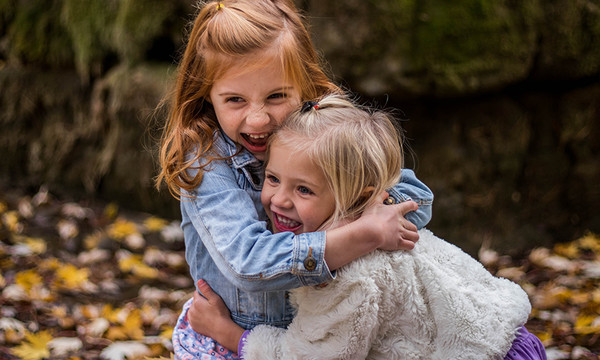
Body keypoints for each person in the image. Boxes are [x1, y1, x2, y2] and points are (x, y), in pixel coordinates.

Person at [155, 1, 434, 359]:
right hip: (232, 338)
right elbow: (249, 262)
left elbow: (415, 198)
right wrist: (362, 233)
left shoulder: (321, 132)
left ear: (302, 86)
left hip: (321, 336)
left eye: (276, 96)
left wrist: (369, 215)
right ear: (206, 95)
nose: (257, 120)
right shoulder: (206, 162)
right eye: (235, 100)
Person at [188, 94, 547, 360]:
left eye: (304, 189)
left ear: (359, 196)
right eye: (272, 178)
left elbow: (309, 357)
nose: (279, 200)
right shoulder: (384, 221)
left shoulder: (349, 276)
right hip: (505, 336)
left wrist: (230, 334)